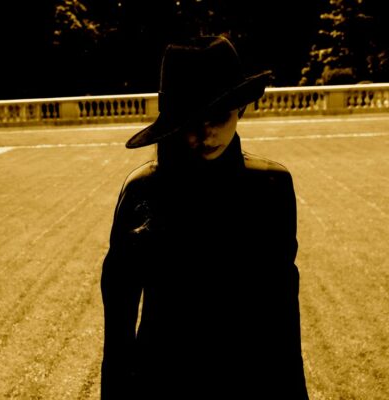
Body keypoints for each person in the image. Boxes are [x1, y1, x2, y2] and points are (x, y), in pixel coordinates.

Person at [100, 36, 309, 399]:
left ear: (241, 108)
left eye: (221, 114)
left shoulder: (271, 186)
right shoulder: (143, 190)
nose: (207, 132)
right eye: (193, 118)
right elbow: (119, 314)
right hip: (162, 381)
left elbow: (282, 307)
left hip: (250, 379)